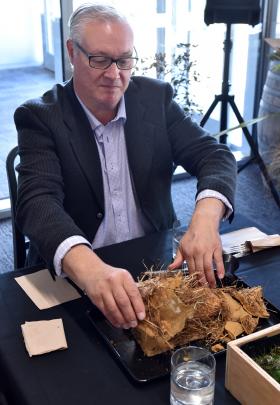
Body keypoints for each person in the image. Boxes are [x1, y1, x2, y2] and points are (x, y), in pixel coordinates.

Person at [14, 3, 236, 330]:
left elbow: (213, 155)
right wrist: (90, 269)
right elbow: (37, 202)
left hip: (155, 263)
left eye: (124, 60)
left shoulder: (154, 100)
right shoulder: (42, 117)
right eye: (100, 60)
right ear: (72, 52)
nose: (114, 75)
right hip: (79, 274)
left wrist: (205, 219)